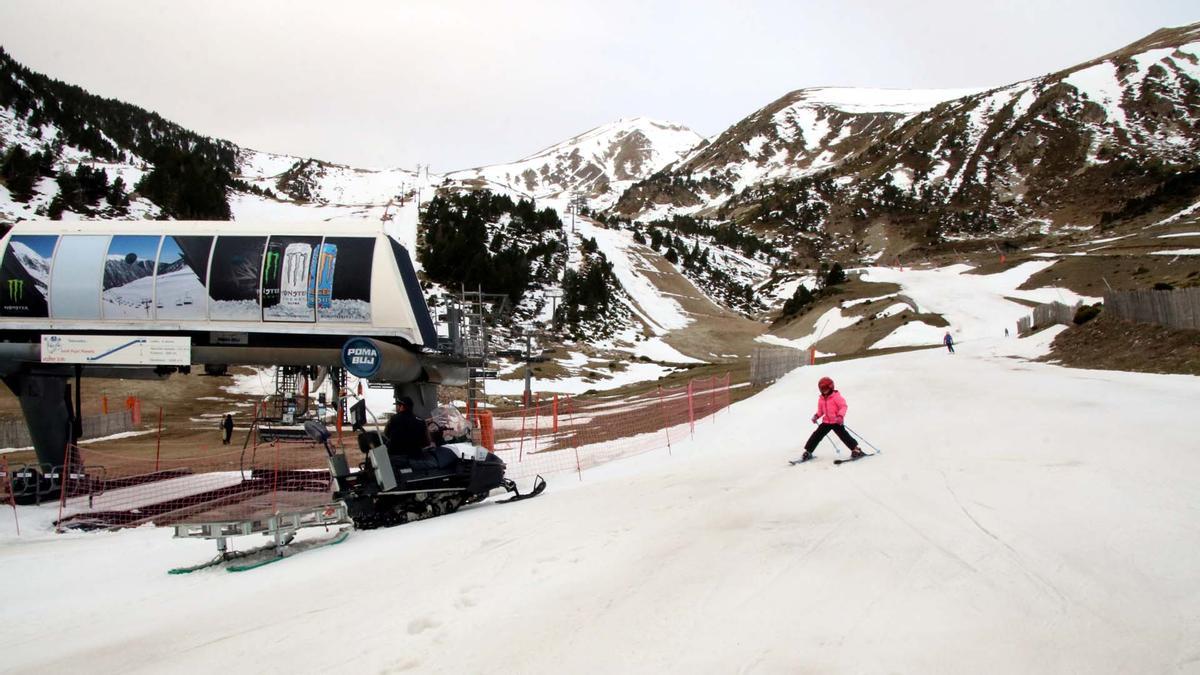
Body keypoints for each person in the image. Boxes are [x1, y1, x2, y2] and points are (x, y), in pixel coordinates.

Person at [801, 377, 863, 461]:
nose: (824, 391)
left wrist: (840, 416)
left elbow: (843, 406)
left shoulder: (836, 397)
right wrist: (816, 416)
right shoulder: (821, 399)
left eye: (825, 389)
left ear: (831, 387)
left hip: (836, 421)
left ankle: (856, 450)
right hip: (826, 422)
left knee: (844, 436)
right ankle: (808, 452)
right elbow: (820, 411)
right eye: (822, 389)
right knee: (816, 435)